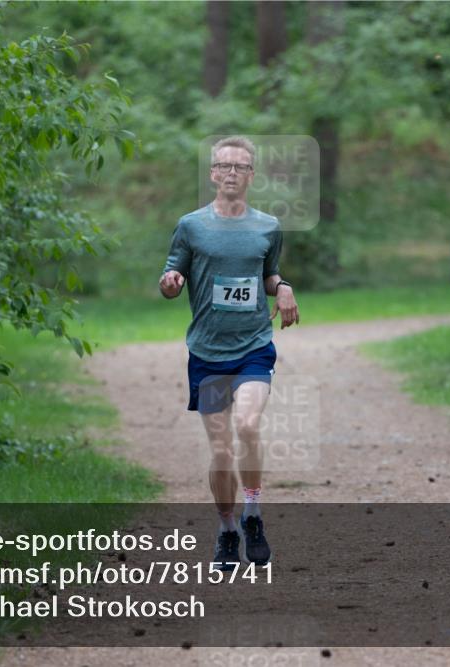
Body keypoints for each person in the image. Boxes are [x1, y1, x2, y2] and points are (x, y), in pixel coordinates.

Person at [159, 136, 300, 570]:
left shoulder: (267, 226)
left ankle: (253, 513)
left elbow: (269, 275)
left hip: (254, 346)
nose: (232, 173)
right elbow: (171, 272)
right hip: (207, 352)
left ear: (252, 175)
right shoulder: (191, 226)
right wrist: (170, 283)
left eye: (241, 167)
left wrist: (285, 288)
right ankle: (226, 530)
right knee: (220, 450)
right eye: (225, 166)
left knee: (248, 423)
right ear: (213, 174)